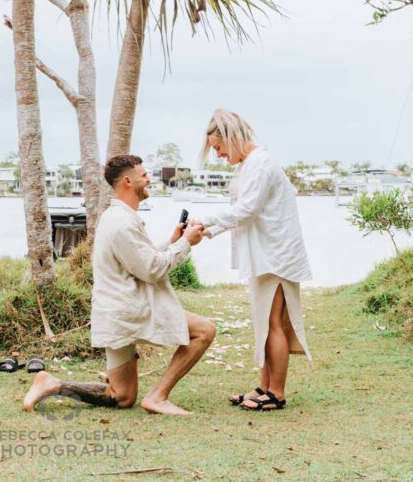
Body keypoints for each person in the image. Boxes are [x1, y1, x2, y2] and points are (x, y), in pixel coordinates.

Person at [22, 154, 215, 415]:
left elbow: (138, 259)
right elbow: (152, 269)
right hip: (130, 312)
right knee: (204, 331)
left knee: (122, 396)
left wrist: (172, 241)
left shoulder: (119, 217)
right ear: (128, 180)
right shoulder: (122, 222)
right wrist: (185, 244)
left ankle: (52, 384)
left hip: (116, 312)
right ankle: (158, 396)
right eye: (144, 175)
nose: (149, 179)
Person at [199, 110, 312, 411]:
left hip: (275, 255)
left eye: (219, 147)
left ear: (231, 138)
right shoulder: (249, 165)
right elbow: (244, 211)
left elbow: (247, 209)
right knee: (264, 322)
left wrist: (206, 223)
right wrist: (208, 230)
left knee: (273, 322)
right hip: (265, 253)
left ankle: (277, 392)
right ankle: (264, 386)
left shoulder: (260, 163)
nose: (219, 155)